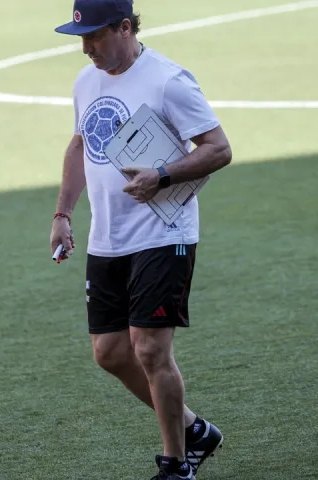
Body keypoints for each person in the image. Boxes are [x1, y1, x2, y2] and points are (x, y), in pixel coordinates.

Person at [49, 0, 233, 478]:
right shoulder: (85, 82)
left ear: (125, 27)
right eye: (80, 36)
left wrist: (163, 175)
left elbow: (219, 148)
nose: (85, 47)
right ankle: (194, 429)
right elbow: (78, 145)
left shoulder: (168, 80)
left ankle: (176, 465)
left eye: (94, 35)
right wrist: (63, 212)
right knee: (109, 353)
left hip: (163, 231)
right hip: (106, 238)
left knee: (150, 349)